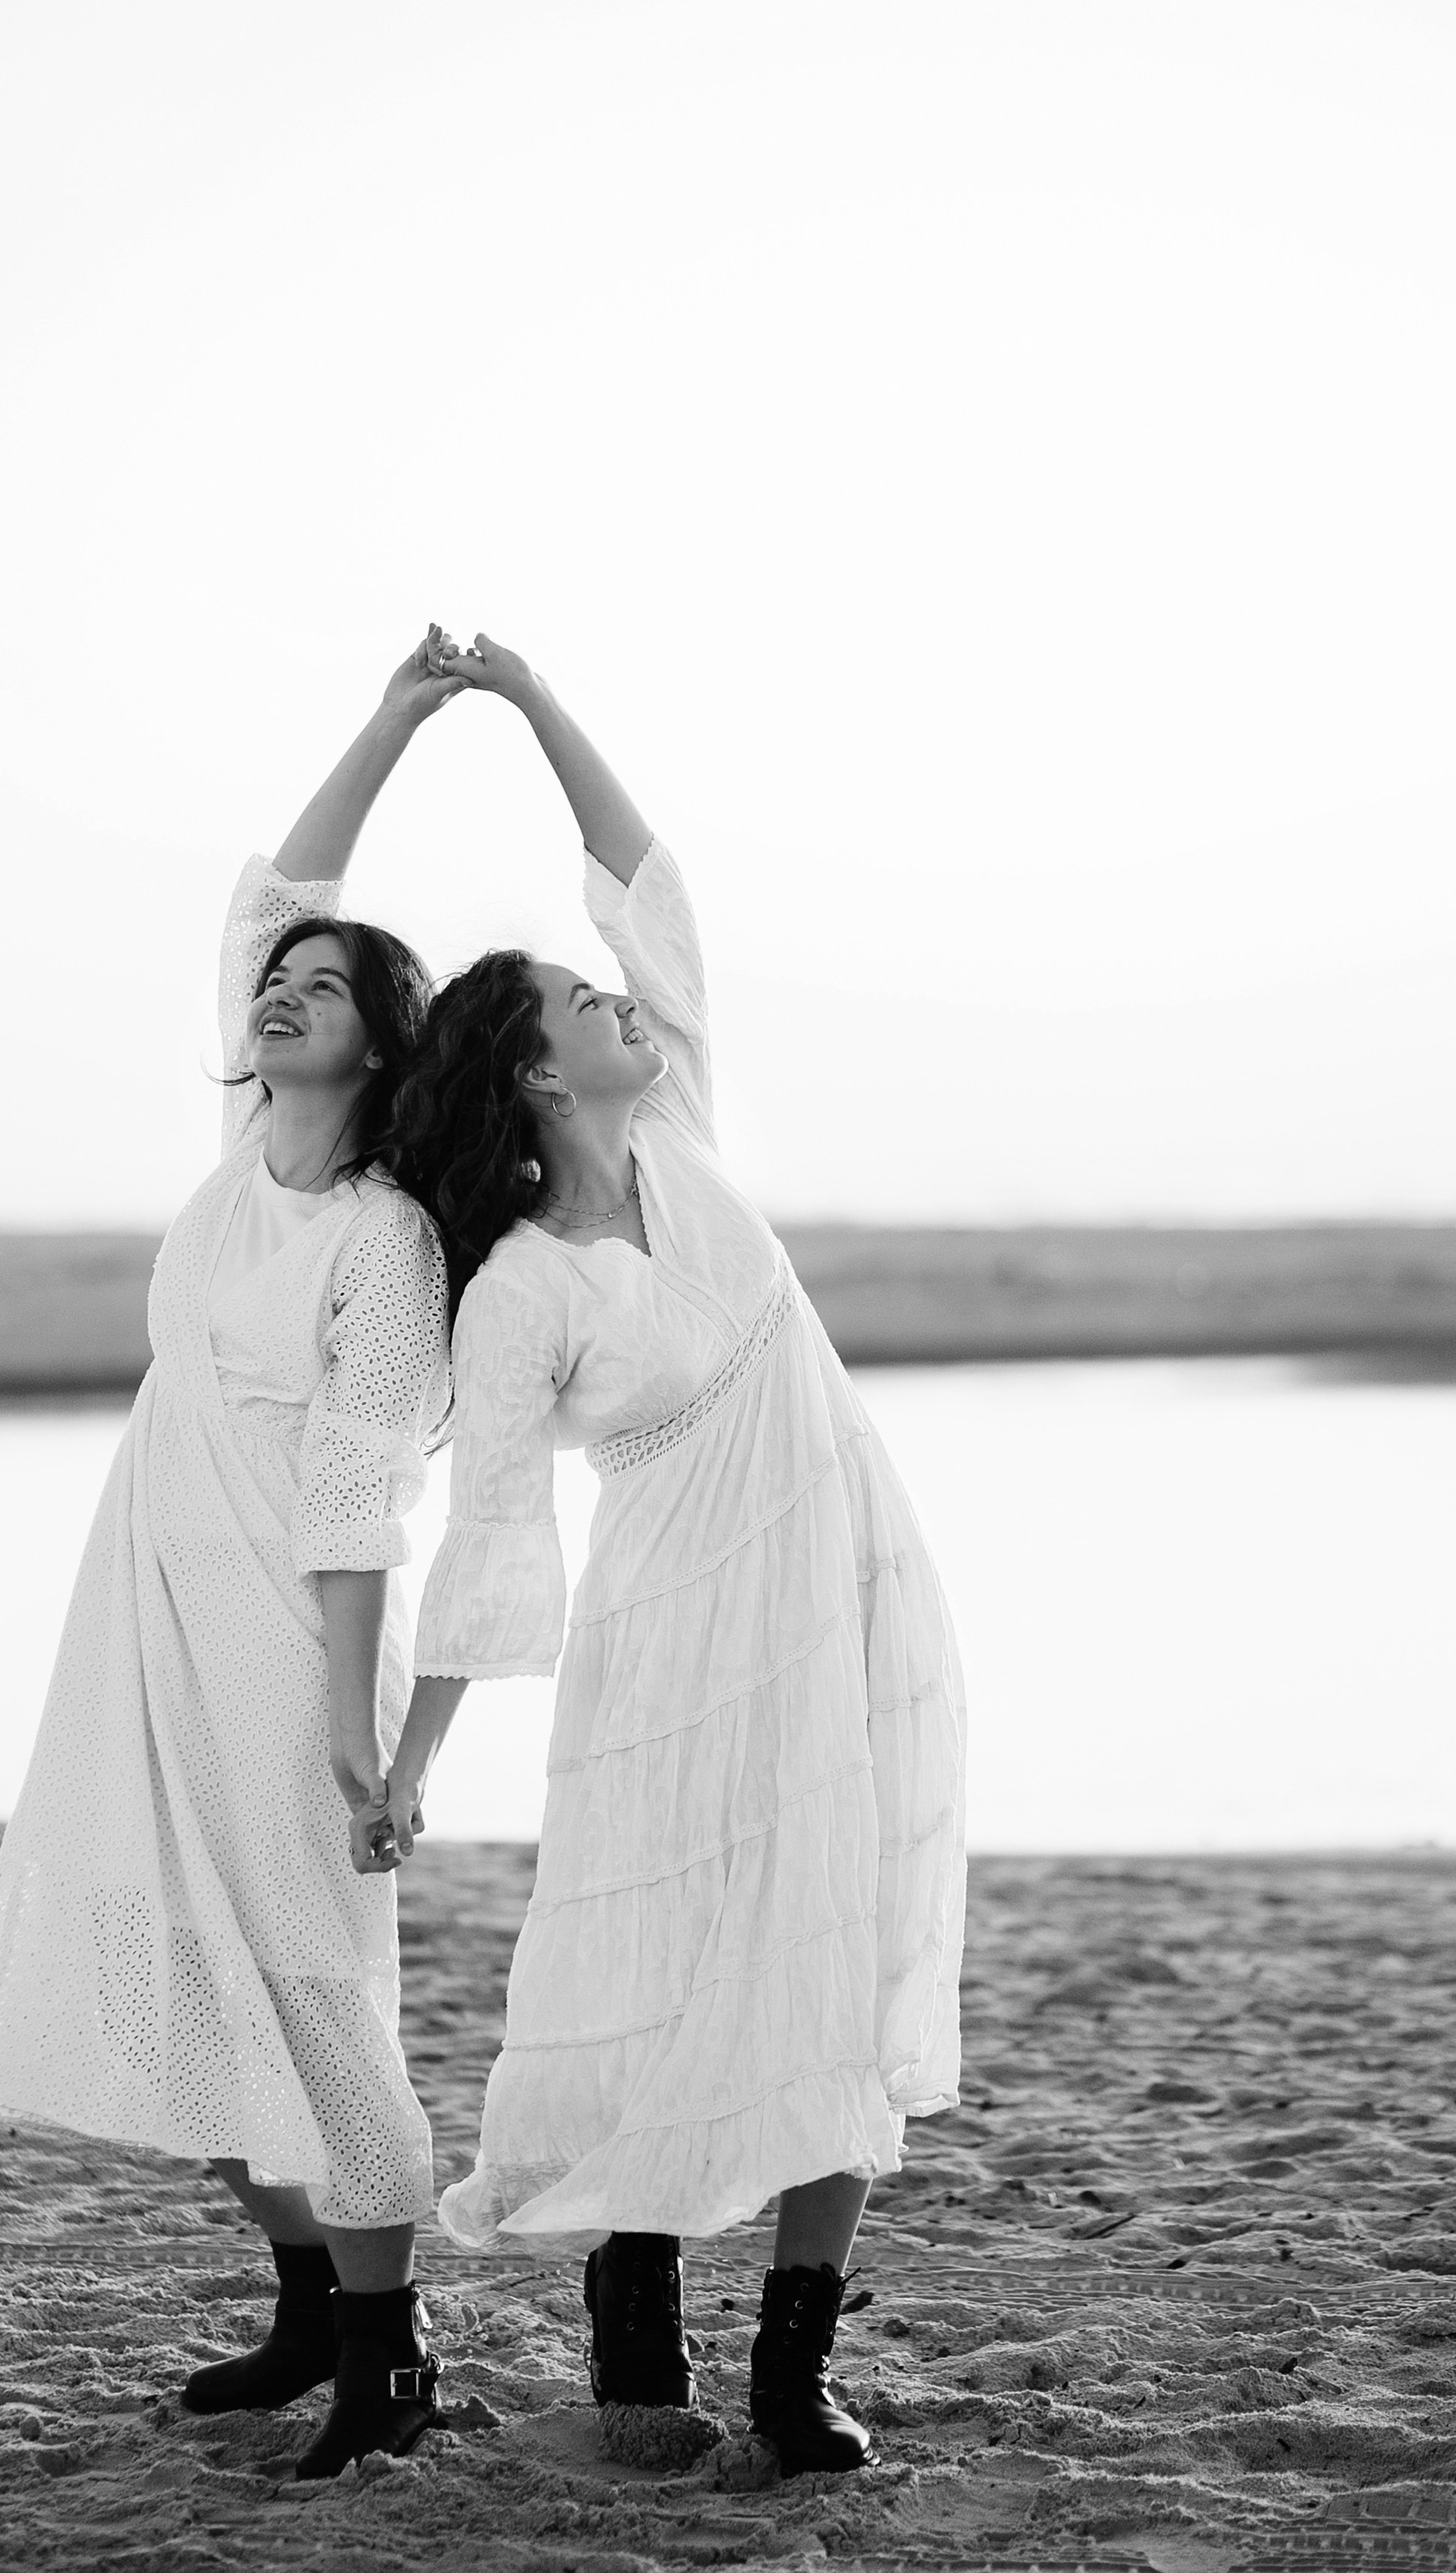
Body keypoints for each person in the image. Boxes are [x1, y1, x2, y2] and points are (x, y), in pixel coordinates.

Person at [375, 636, 968, 2477]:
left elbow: (649, 891)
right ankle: (638, 2331)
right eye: (581, 1002)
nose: (619, 1002)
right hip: (673, 1634)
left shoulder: (684, 1131)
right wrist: (409, 1760)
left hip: (844, 1582)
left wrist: (538, 701)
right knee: (662, 1967)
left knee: (836, 1945)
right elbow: (486, 1532)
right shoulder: (522, 1290)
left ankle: (791, 2366)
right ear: (537, 1080)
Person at [0, 629, 464, 2481]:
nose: (284, 988)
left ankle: (390, 2362)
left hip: (283, 1631)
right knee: (162, 1964)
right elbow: (282, 887)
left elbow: (361, 1488)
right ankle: (309, 2295)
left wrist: (341, 1710)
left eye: (323, 987)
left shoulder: (382, 1238)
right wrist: (389, 720)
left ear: (380, 1039)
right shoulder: (238, 1176)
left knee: (315, 1980)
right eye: (276, 984)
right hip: (138, 1607)